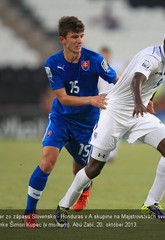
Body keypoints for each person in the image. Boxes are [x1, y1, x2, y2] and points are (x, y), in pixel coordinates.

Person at [55, 23, 165, 227]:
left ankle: (152, 203)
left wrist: (148, 100)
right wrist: (138, 102)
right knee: (94, 168)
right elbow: (138, 79)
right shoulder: (151, 57)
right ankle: (63, 207)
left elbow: (154, 82)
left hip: (139, 112)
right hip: (115, 111)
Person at [23, 16, 117, 228]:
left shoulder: (94, 59)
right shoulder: (53, 63)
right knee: (47, 162)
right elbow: (63, 98)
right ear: (62, 39)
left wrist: (142, 97)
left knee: (80, 170)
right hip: (61, 119)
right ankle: (29, 213)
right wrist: (91, 99)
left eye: (82, 36)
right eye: (75, 36)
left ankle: (85, 188)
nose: (79, 40)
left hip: (86, 124)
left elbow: (117, 80)